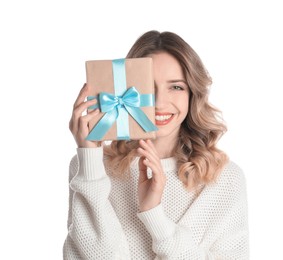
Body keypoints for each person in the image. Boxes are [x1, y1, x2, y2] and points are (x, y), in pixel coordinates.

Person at [63, 30, 249, 259]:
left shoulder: (225, 179)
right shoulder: (91, 167)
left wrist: (153, 214)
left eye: (176, 87)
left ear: (193, 94)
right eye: (148, 88)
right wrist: (89, 160)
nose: (160, 102)